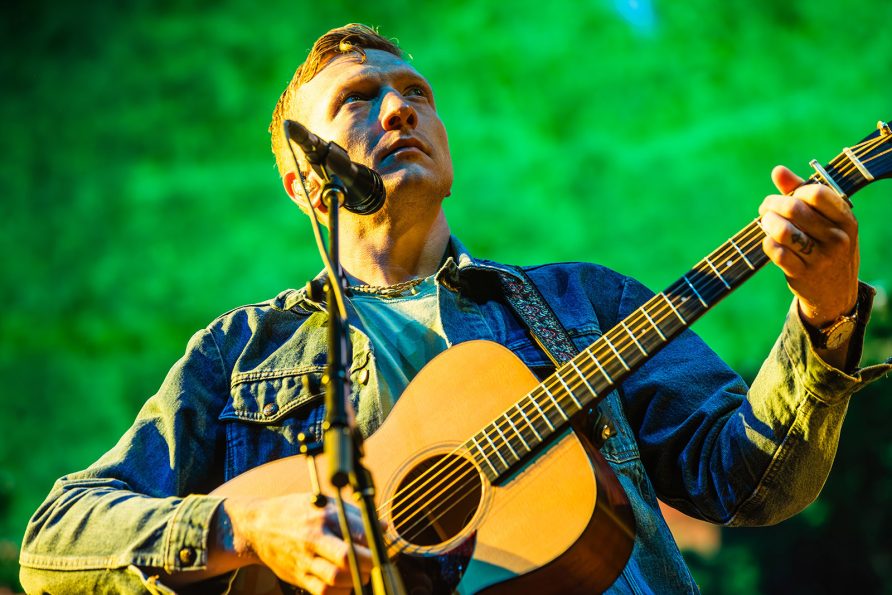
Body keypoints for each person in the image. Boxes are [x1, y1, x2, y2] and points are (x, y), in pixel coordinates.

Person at [19, 23, 891, 595]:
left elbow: (749, 480)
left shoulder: (582, 302)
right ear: (300, 178)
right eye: (359, 100)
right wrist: (246, 522)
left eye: (417, 94)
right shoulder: (240, 352)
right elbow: (53, 538)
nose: (400, 105)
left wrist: (822, 318)